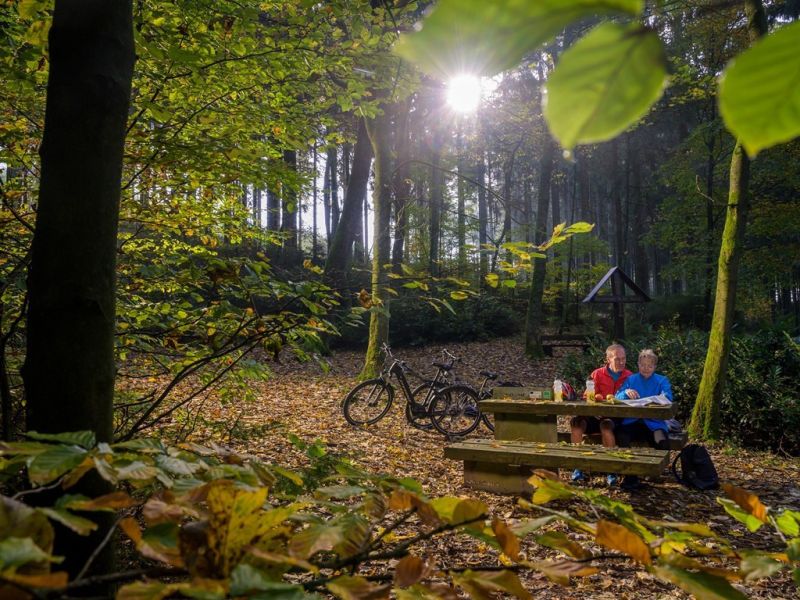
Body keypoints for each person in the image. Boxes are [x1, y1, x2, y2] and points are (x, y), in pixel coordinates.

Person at [570, 343, 631, 486]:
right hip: (593, 415)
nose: (621, 362)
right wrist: (595, 404)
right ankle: (577, 467)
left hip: (613, 417)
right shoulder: (597, 374)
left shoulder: (629, 376)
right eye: (617, 359)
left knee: (606, 426)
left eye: (623, 359)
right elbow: (587, 396)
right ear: (608, 359)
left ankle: (610, 470)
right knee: (576, 424)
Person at [614, 348, 673, 490]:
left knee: (662, 441)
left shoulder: (661, 380)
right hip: (632, 422)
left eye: (650, 366)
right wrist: (626, 393)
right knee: (621, 437)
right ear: (638, 365)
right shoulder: (631, 379)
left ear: (655, 367)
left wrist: (658, 399)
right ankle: (630, 477)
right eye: (643, 365)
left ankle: (652, 473)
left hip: (654, 423)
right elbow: (617, 396)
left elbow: (668, 398)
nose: (646, 368)